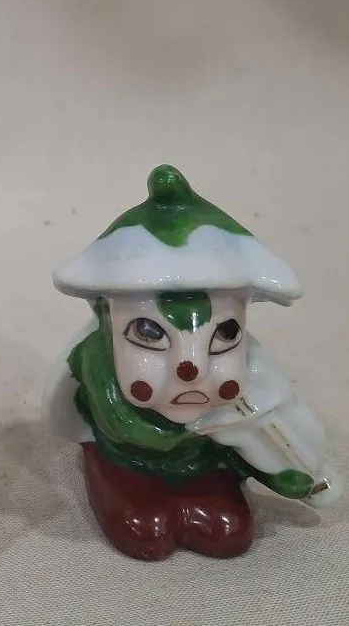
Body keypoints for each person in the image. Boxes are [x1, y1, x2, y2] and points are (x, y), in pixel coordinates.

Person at [44, 164, 338, 560]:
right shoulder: (94, 361)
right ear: (106, 318)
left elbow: (276, 424)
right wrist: (193, 427)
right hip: (127, 461)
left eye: (225, 335)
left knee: (228, 530)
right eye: (149, 335)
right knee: (146, 528)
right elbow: (120, 424)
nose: (191, 369)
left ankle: (208, 489)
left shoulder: (253, 375)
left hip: (207, 462)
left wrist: (279, 464)